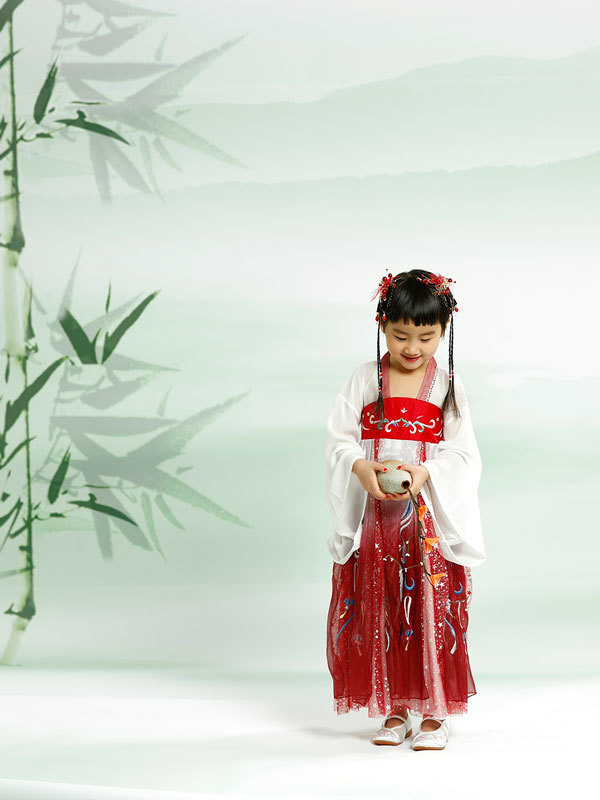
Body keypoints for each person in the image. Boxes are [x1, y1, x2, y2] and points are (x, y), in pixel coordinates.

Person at [324, 268, 485, 751]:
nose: (413, 348)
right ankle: (395, 708)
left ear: (444, 330)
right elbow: (338, 439)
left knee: (430, 607)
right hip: (377, 520)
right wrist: (359, 467)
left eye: (426, 337)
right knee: (383, 606)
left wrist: (425, 472)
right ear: (382, 325)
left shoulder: (446, 386)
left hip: (426, 520)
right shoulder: (365, 378)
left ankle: (435, 712)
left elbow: (463, 453)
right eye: (400, 336)